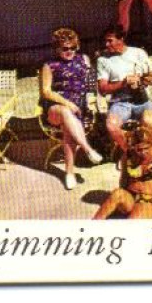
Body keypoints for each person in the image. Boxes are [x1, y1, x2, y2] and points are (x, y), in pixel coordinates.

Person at [39, 27, 104, 190]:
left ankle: (69, 173)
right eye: (65, 48)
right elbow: (45, 92)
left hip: (80, 106)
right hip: (55, 108)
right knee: (66, 113)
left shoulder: (84, 59)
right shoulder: (49, 65)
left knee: (69, 127)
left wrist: (92, 100)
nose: (70, 51)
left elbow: (90, 83)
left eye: (73, 47)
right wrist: (67, 103)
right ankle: (87, 149)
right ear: (57, 48)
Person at [96, 24, 152, 154]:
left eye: (110, 40)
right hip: (120, 103)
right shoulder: (103, 60)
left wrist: (145, 80)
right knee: (111, 126)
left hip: (142, 100)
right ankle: (130, 153)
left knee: (149, 123)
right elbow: (103, 89)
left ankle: (151, 155)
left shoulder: (138, 53)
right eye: (105, 41)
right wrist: (123, 83)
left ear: (121, 38)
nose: (106, 44)